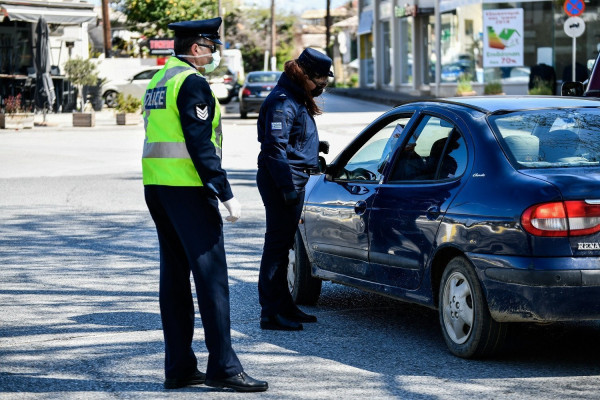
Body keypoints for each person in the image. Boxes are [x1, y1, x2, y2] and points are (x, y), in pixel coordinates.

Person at [141, 17, 268, 392]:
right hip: (189, 189)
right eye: (211, 47)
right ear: (197, 48)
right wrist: (225, 192)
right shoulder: (191, 82)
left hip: (158, 187)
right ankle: (224, 368)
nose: (214, 54)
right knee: (212, 279)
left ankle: (179, 366)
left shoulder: (158, 80)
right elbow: (199, 143)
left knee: (174, 279)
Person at [256, 48, 333, 331]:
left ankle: (285, 305)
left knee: (284, 245)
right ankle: (270, 313)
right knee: (276, 249)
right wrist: (286, 187)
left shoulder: (295, 96)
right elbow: (274, 147)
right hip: (282, 181)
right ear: (306, 75)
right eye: (321, 80)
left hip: (292, 177)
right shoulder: (282, 100)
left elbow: (291, 140)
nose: (323, 86)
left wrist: (313, 148)